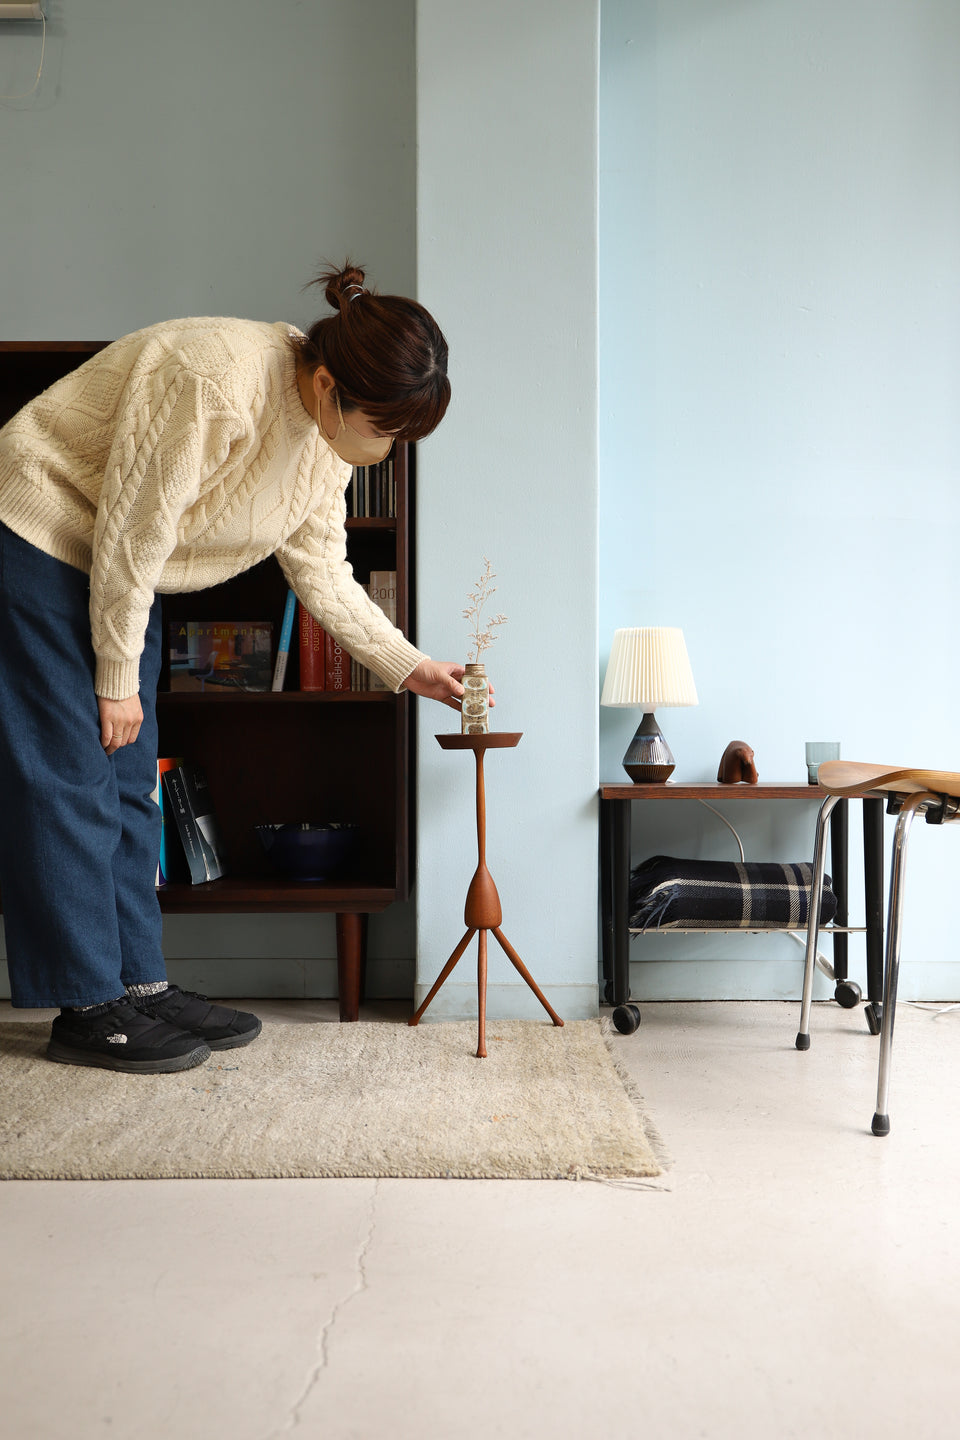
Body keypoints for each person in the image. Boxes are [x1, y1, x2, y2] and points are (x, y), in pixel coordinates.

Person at [0, 261, 466, 1073]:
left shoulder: (327, 446)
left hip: (125, 574)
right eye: (383, 427)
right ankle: (86, 1003)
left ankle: (139, 983)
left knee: (129, 781)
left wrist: (409, 666)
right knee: (71, 777)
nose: (384, 447)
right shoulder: (212, 379)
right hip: (40, 532)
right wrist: (115, 677)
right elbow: (133, 530)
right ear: (327, 384)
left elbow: (320, 569)